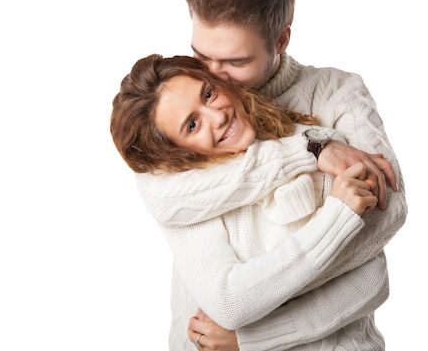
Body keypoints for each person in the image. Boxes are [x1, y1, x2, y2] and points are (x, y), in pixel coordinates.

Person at [133, 0, 407, 350]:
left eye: (235, 61)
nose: (211, 74)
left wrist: (256, 333)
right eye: (200, 55)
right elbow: (161, 195)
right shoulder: (177, 109)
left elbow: (386, 215)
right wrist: (311, 147)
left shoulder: (337, 94)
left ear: (280, 40)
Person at [111, 53, 389, 351]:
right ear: (175, 153)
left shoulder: (310, 144)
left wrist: (252, 337)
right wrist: (337, 218)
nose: (218, 116)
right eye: (192, 125)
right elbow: (230, 301)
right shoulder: (187, 201)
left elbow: (371, 280)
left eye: (208, 93)